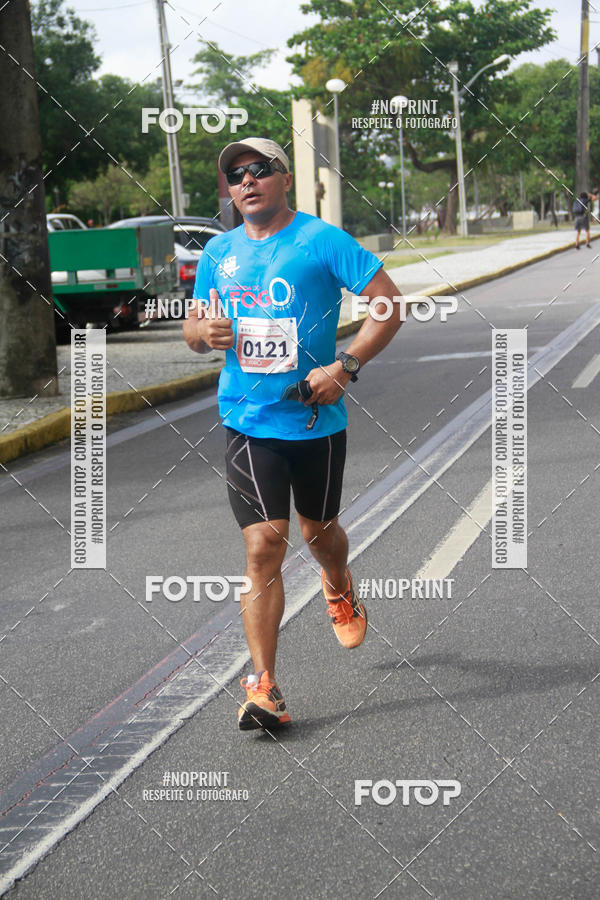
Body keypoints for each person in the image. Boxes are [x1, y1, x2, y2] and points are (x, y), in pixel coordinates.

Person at [183, 137, 404, 732]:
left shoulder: (320, 240)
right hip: (247, 418)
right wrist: (205, 332)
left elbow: (388, 303)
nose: (246, 180)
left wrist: (346, 365)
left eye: (260, 170)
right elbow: (192, 326)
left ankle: (338, 583)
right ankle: (264, 687)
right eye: (235, 174)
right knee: (263, 546)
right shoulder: (219, 253)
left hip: (314, 417)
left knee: (320, 533)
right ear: (229, 190)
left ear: (284, 179)